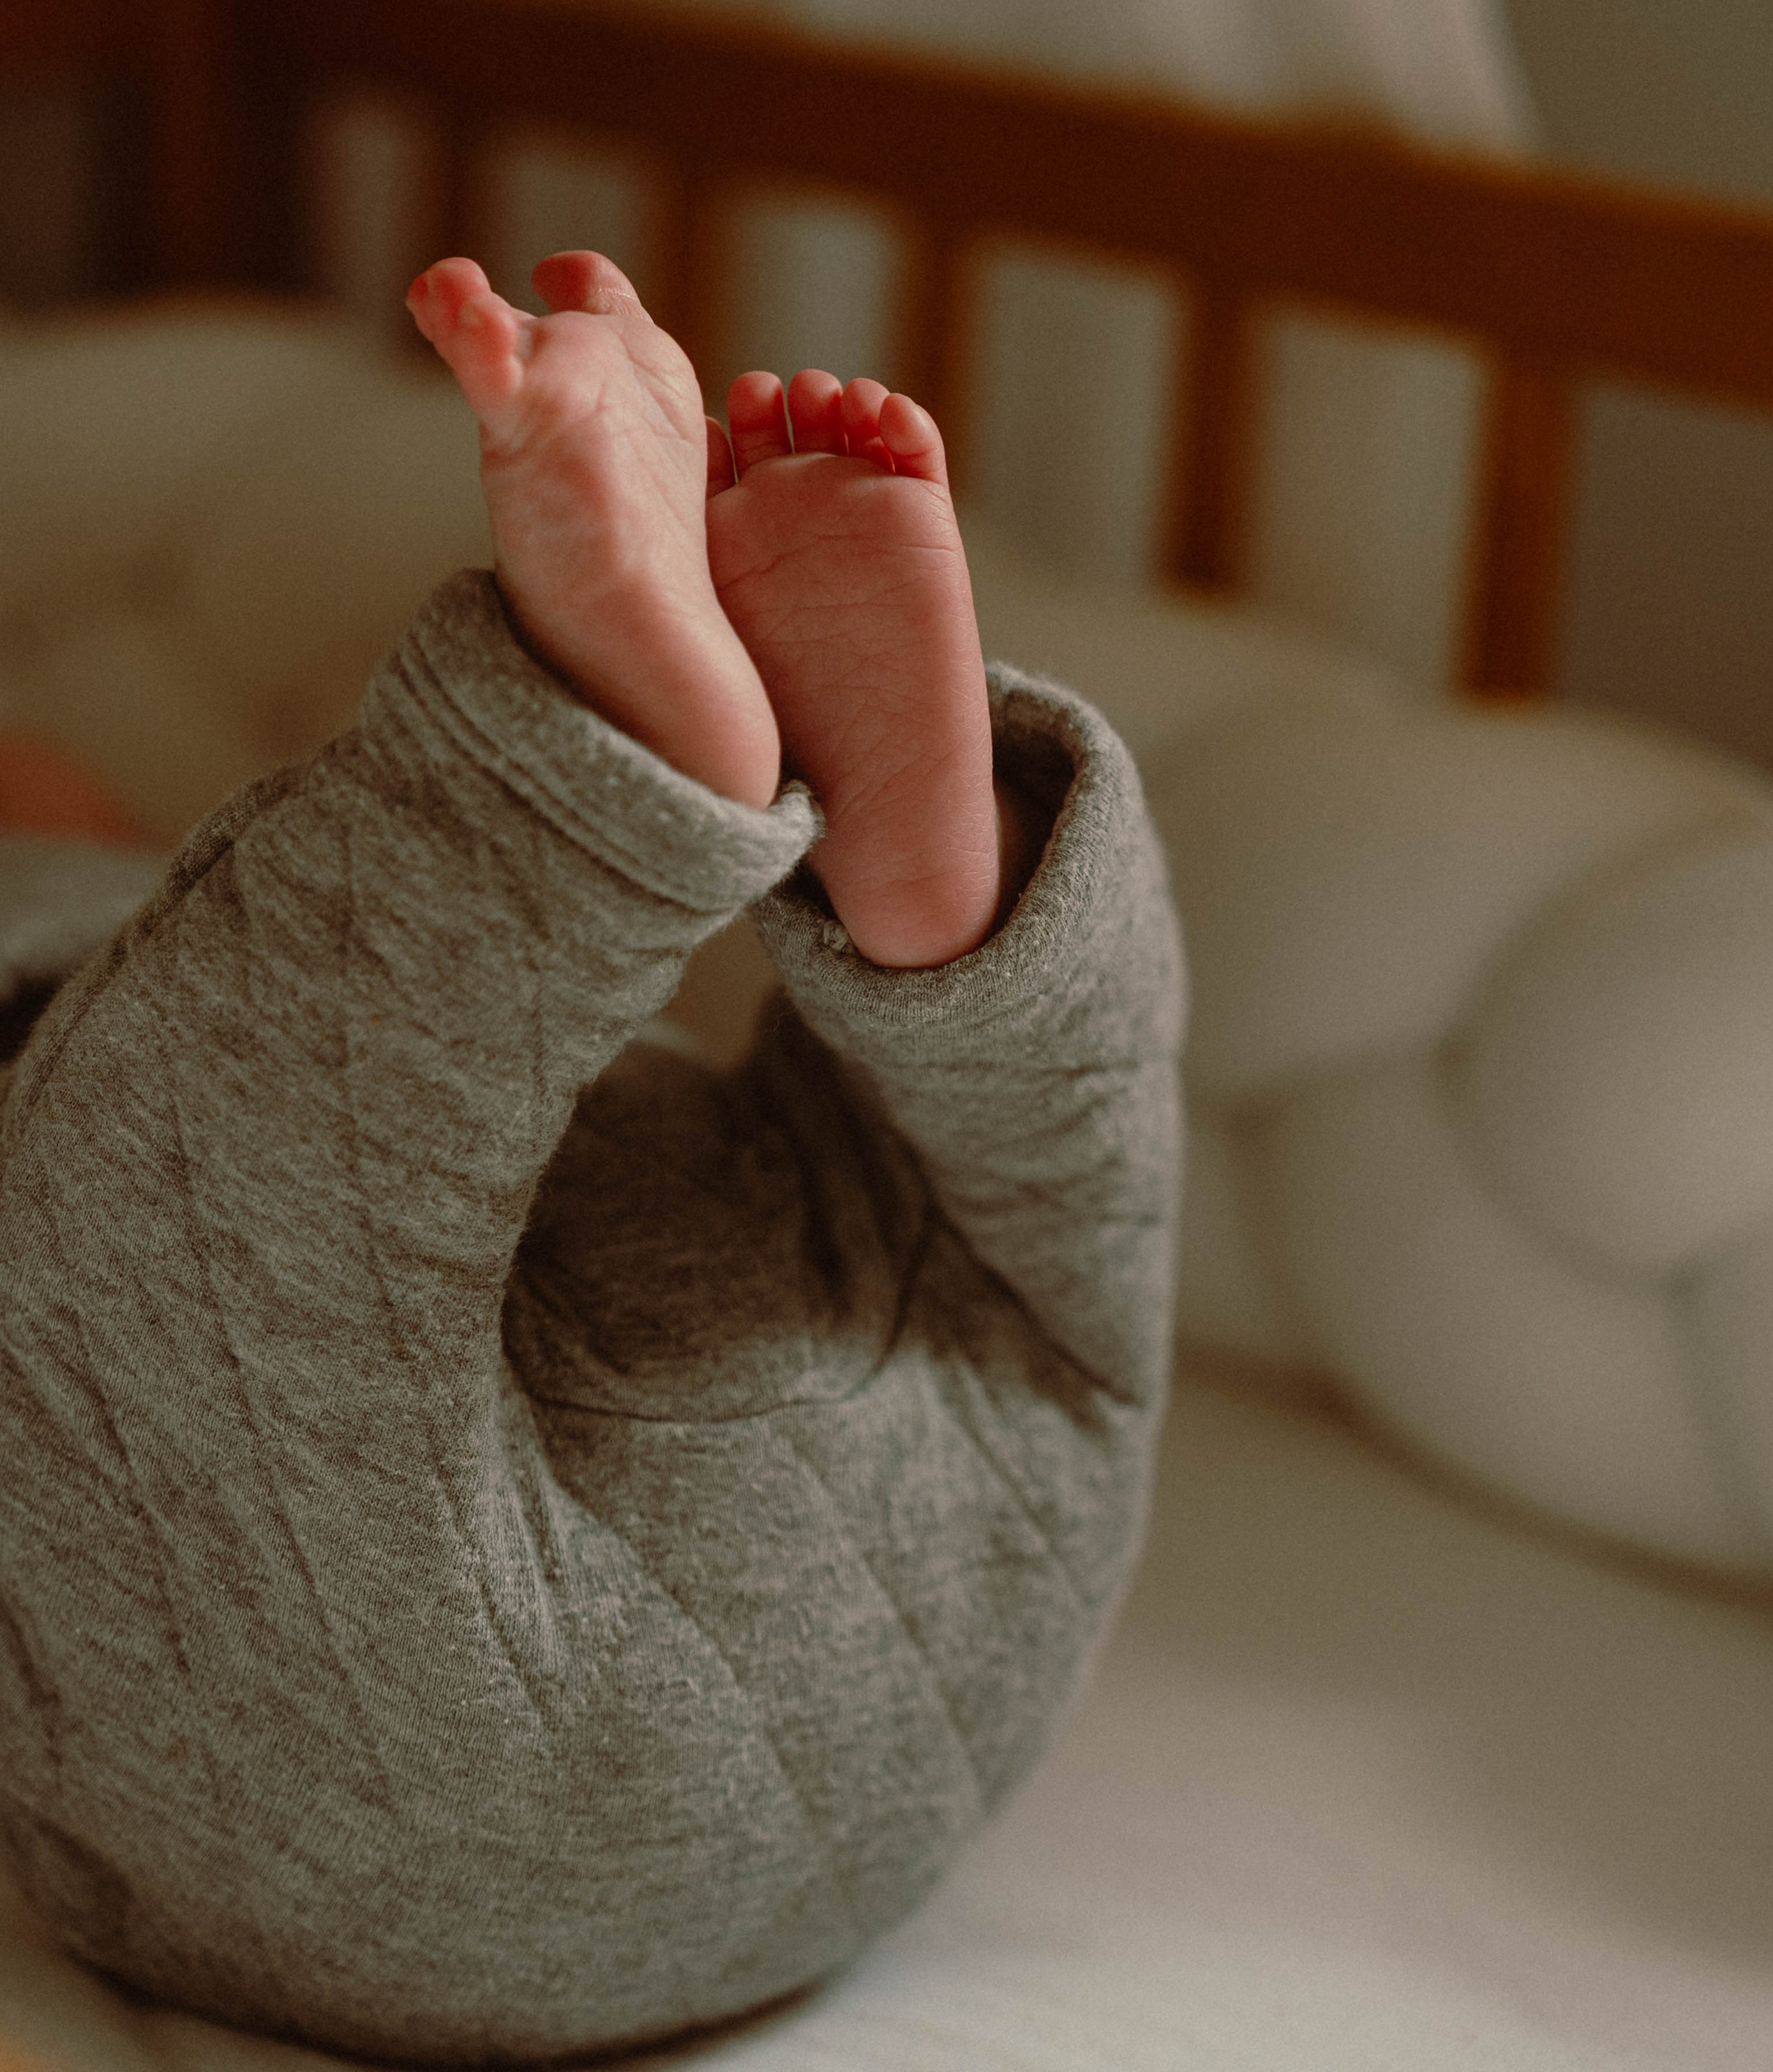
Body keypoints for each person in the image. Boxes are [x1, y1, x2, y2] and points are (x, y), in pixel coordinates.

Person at [0, 252, 1184, 2062]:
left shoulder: (190, 948)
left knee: (214, 1216)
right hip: (945, 1597)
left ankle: (638, 778)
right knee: (1018, 1208)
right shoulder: (211, 968)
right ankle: (936, 907)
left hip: (424, 1750)